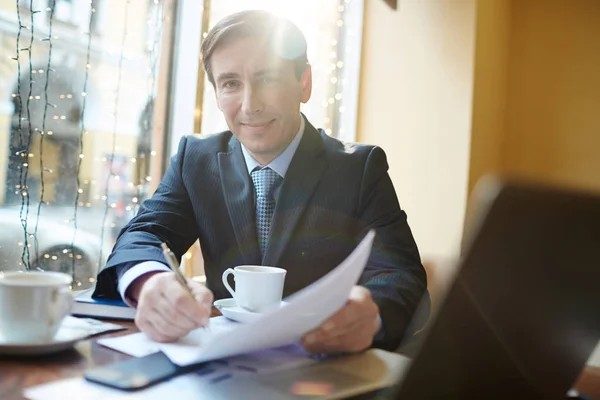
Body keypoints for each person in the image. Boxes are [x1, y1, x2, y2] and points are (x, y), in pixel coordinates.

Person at [93, 10, 428, 354]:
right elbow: (142, 235)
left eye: (267, 78)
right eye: (231, 83)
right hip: (218, 366)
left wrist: (371, 314)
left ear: (305, 83)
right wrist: (150, 282)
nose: (250, 106)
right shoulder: (195, 160)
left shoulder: (359, 169)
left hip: (323, 367)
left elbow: (401, 276)